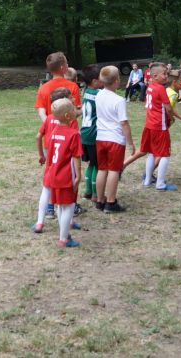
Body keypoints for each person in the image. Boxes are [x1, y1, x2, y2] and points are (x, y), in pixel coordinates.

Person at [123, 64, 181, 191]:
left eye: (166, 74)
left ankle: (147, 181)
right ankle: (160, 184)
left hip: (149, 125)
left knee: (152, 153)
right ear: (155, 76)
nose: (166, 76)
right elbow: (168, 108)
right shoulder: (160, 89)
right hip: (159, 126)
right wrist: (172, 119)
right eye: (164, 74)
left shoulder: (150, 87)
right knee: (165, 154)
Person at [42, 98, 83, 248]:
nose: (75, 111)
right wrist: (78, 175)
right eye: (73, 109)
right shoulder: (74, 134)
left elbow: (50, 153)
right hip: (66, 175)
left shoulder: (53, 132)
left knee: (60, 206)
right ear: (67, 115)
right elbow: (76, 156)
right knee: (69, 206)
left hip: (54, 173)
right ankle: (63, 239)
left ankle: (63, 234)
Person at [94, 65, 135, 213]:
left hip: (100, 138)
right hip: (115, 139)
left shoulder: (98, 95)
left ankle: (100, 200)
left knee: (102, 169)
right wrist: (130, 143)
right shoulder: (119, 100)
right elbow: (123, 123)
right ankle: (111, 202)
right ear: (117, 81)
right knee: (114, 170)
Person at [34, 87, 75, 227]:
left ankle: (40, 222)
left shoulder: (49, 118)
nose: (73, 99)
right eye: (70, 97)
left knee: (47, 187)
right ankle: (67, 222)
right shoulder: (70, 120)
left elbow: (38, 136)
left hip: (50, 153)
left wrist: (41, 155)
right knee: (63, 188)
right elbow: (73, 139)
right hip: (65, 158)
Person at [35, 51, 81, 123]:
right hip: (69, 128)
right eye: (66, 63)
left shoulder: (43, 88)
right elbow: (75, 111)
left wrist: (49, 125)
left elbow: (41, 112)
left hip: (51, 128)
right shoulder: (73, 86)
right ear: (62, 68)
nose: (67, 65)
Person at [80, 65, 102, 204]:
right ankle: (95, 194)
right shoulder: (98, 95)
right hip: (94, 134)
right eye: (101, 78)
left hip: (84, 133)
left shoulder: (86, 91)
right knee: (98, 165)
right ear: (94, 81)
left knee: (91, 164)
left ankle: (87, 191)